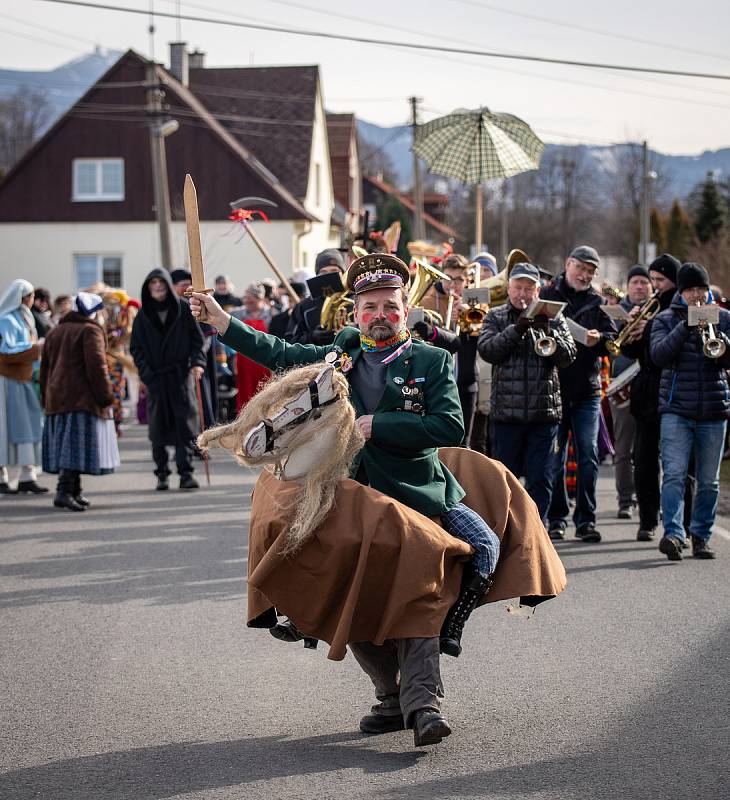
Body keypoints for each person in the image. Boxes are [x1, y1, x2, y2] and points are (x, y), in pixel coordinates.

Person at [190, 253, 504, 747]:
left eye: (390, 306)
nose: (380, 315)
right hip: (351, 498)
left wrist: (378, 425)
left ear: (406, 309)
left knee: (468, 559)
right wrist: (222, 322)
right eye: (370, 307)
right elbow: (280, 354)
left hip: (418, 496)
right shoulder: (341, 353)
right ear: (354, 315)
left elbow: (450, 427)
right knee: (351, 598)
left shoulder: (432, 360)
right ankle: (390, 695)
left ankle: (431, 685)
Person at [478, 263, 576, 524]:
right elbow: (488, 350)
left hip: (543, 414)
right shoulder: (495, 316)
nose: (522, 294)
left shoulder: (554, 316)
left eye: (528, 289)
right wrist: (517, 329)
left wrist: (547, 331)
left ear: (537, 290)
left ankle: (537, 531)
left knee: (542, 479)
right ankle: (508, 530)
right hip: (507, 414)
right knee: (505, 480)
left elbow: (568, 357)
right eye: (518, 287)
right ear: (508, 288)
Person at [650, 262, 730, 561]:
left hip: (714, 409)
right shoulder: (666, 319)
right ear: (681, 292)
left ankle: (701, 536)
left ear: (708, 290)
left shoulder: (723, 318)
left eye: (701, 289)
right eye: (690, 290)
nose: (696, 295)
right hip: (676, 409)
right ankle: (673, 534)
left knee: (709, 481)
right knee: (674, 475)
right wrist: (685, 328)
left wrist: (721, 341)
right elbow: (658, 355)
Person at [541, 245, 617, 543]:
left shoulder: (598, 302)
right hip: (554, 389)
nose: (584, 275)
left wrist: (600, 339)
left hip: (587, 390)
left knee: (588, 455)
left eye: (590, 271)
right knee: (555, 459)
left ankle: (586, 520)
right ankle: (558, 519)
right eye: (580, 268)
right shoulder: (547, 294)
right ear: (567, 263)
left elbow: (613, 340)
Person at [40, 292, 119, 511]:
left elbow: (45, 369)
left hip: (56, 397)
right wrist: (105, 397)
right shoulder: (90, 331)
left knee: (67, 446)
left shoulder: (55, 332)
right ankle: (64, 491)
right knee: (73, 447)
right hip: (81, 398)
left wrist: (45, 398)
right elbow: (97, 368)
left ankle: (74, 490)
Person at [130, 269, 206, 491]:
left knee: (185, 427)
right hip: (156, 379)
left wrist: (197, 363)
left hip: (181, 377)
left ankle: (186, 473)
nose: (157, 286)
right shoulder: (143, 316)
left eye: (160, 282)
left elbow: (197, 341)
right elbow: (136, 349)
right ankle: (162, 474)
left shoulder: (182, 310)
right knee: (158, 430)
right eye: (152, 283)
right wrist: (146, 375)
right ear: (148, 287)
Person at [413, 254, 480, 446]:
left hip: (465, 381)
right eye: (448, 278)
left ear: (466, 280)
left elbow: (480, 340)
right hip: (435, 381)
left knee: (463, 443)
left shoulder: (474, 304)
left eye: (459, 279)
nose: (453, 284)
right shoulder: (427, 301)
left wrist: (467, 316)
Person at [608, 265, 652, 519]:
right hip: (622, 386)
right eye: (635, 282)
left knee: (649, 449)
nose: (639, 286)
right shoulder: (616, 312)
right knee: (623, 447)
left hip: (648, 386)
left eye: (643, 283)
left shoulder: (657, 312)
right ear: (628, 285)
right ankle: (625, 499)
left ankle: (648, 498)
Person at [0, 279, 47, 494]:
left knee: (29, 426)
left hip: (24, 380)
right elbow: (7, 351)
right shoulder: (7, 320)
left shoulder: (24, 318)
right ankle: (4, 476)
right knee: (9, 429)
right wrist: (35, 347)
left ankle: (28, 475)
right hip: (9, 382)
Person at [171, 268, 218, 427]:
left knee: (199, 401)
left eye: (188, 284)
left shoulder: (197, 305)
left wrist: (196, 357)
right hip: (173, 364)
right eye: (182, 284)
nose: (186, 288)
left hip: (194, 362)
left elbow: (206, 335)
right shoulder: (168, 308)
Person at [285, 249, 347, 345]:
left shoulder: (354, 299)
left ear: (343, 273)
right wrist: (311, 337)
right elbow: (289, 341)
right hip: (317, 359)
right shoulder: (304, 306)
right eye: (323, 272)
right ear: (317, 275)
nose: (328, 275)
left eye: (334, 271)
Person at [232, 283, 272, 412]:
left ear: (260, 298)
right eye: (246, 298)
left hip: (265, 360)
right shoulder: (237, 314)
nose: (247, 301)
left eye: (251, 298)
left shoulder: (272, 314)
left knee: (266, 390)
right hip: (245, 360)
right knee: (246, 391)